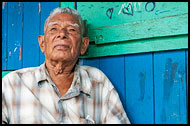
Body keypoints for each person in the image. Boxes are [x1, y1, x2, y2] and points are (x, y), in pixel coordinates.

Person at [2, 7, 130, 124]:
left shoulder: (98, 83)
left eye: (72, 29)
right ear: (42, 43)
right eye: (54, 29)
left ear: (83, 45)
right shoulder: (12, 84)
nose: (62, 34)